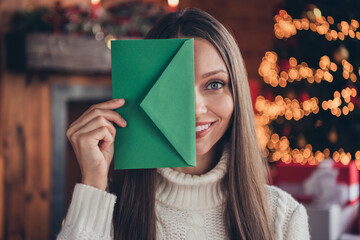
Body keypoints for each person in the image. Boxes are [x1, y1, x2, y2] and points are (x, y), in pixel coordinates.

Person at [57, 8, 310, 240]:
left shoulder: (283, 218)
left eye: (214, 84)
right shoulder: (104, 210)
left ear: (236, 94)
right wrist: (92, 183)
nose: (196, 109)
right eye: (175, 88)